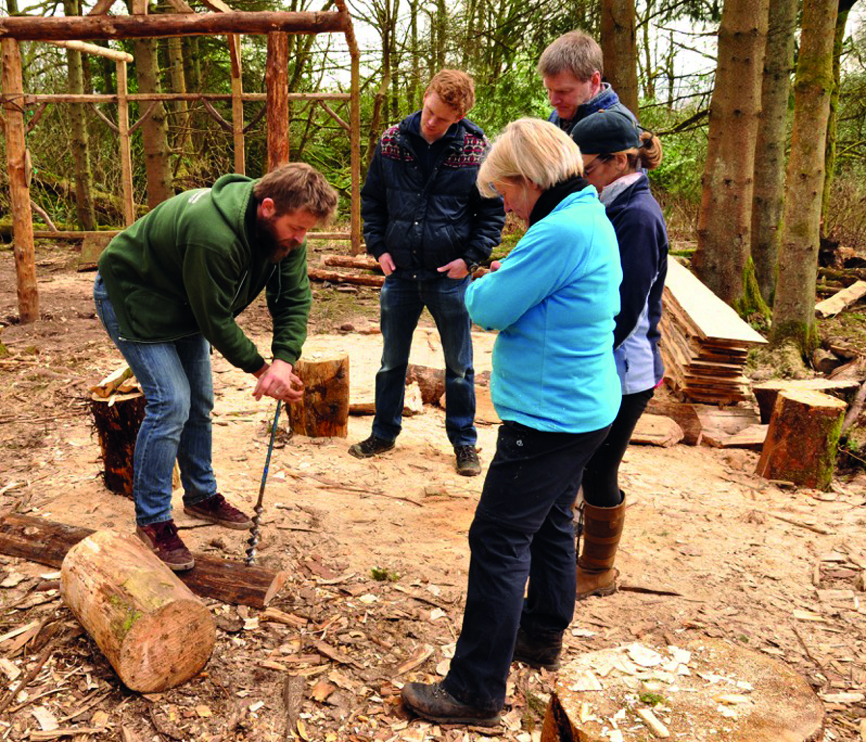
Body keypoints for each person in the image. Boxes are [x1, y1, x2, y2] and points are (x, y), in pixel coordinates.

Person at [400, 119, 622, 726]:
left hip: (551, 417)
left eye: (508, 193)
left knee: (497, 540)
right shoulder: (587, 212)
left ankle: (474, 691)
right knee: (551, 521)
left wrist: (481, 282)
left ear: (530, 178)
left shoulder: (558, 231)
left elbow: (492, 309)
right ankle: (543, 630)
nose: (510, 207)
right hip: (581, 408)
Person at [94, 164, 339, 571]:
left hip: (183, 301)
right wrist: (261, 369)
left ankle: (201, 496)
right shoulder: (213, 234)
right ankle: (153, 521)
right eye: (295, 228)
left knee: (199, 400)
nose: (300, 239)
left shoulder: (289, 237)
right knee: (171, 402)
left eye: (306, 231)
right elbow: (215, 319)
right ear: (268, 208)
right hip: (133, 294)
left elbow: (293, 299)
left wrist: (283, 359)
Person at [348, 69, 505, 477]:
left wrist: (469, 260)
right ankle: (383, 433)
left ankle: (464, 443)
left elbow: (491, 213)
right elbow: (372, 199)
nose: (431, 122)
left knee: (459, 366)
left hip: (449, 277)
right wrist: (378, 246)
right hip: (399, 274)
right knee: (390, 362)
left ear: (459, 117)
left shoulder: (476, 148)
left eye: (443, 118)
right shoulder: (390, 141)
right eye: (429, 111)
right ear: (426, 94)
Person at [570, 110, 668, 599]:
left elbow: (623, 308)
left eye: (586, 168)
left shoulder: (637, 216)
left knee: (599, 468)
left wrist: (582, 354)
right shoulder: (610, 204)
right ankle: (572, 555)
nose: (581, 178)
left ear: (614, 161)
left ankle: (598, 568)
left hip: (626, 366)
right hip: (605, 360)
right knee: (581, 463)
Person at [538, 29, 637, 135]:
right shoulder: (556, 118)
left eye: (563, 91)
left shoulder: (618, 127)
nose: (553, 101)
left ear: (594, 82)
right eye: (549, 89)